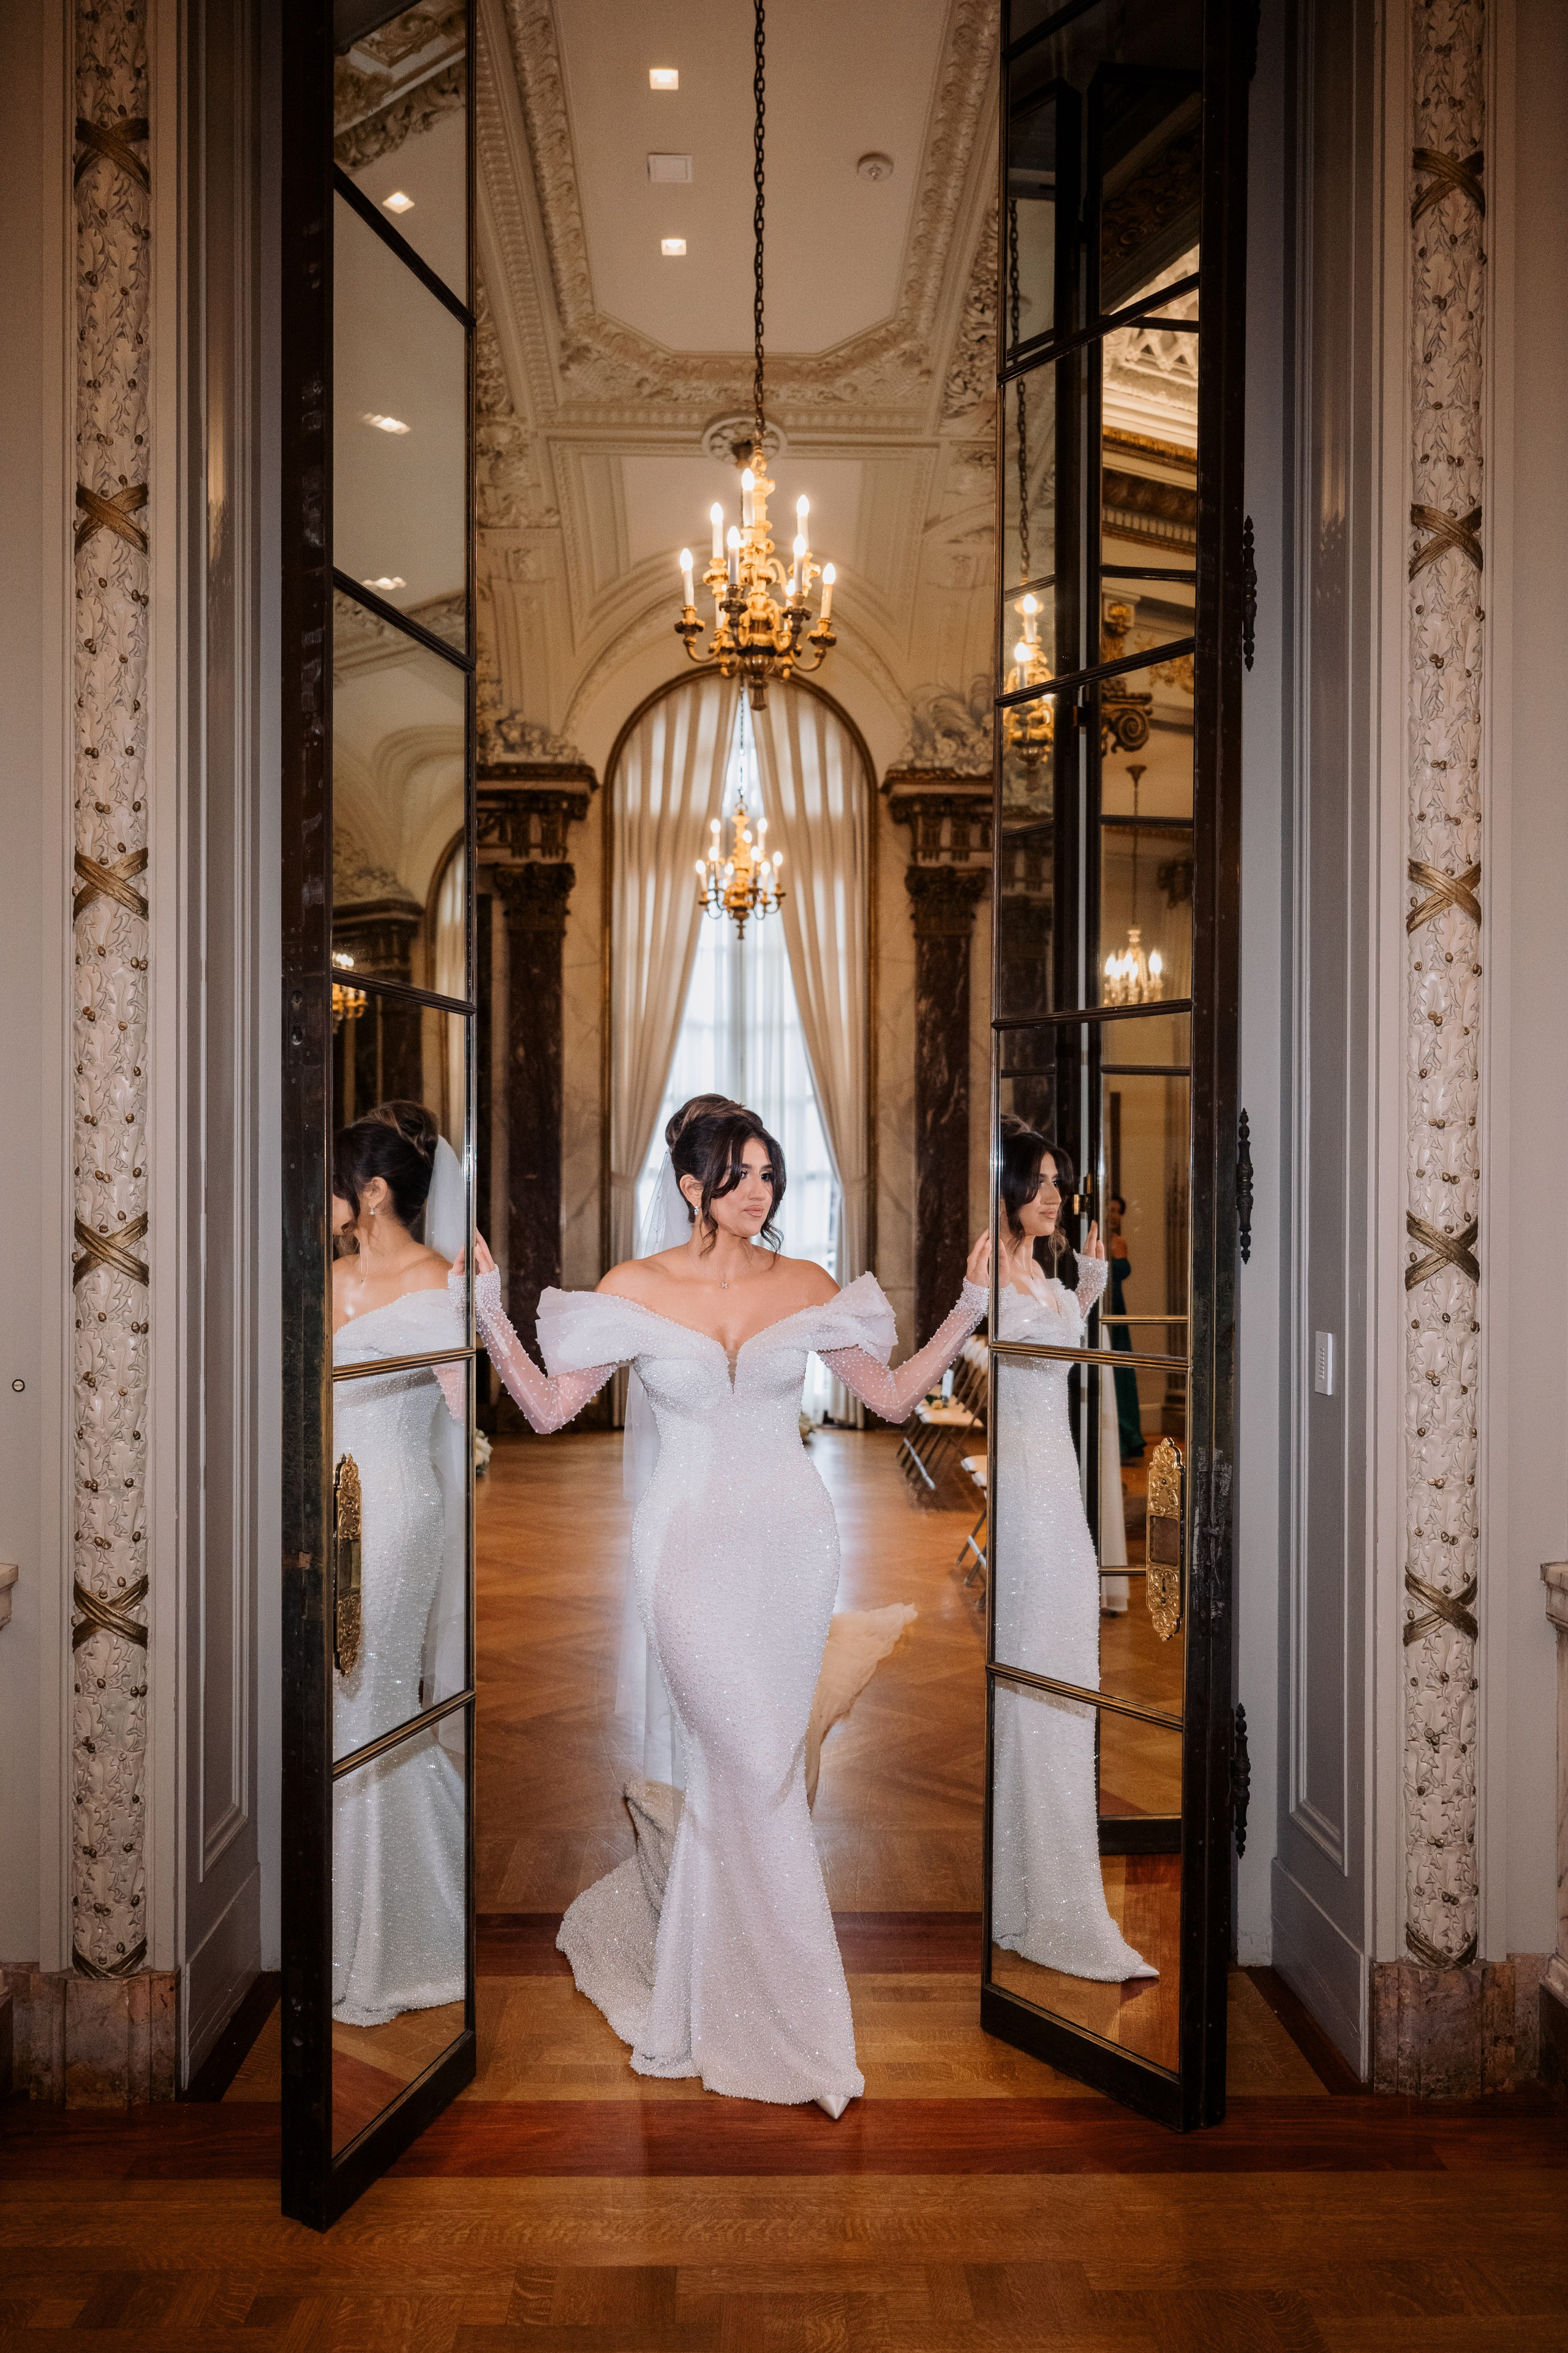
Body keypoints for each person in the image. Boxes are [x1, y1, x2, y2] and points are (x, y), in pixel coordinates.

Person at [458, 1095, 989, 2114]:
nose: (762, 1192)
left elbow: (888, 1398)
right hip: (686, 1553)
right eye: (741, 1174)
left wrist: (967, 1305)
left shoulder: (807, 1283)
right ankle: (797, 2021)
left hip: (793, 1547)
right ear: (692, 1183)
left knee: (756, 1769)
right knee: (750, 1761)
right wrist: (487, 1312)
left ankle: (714, 1995)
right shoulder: (634, 1287)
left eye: (771, 1174)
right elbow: (547, 1406)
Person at [989, 1116, 1156, 1984]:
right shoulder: (993, 1273)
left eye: (1059, 1182)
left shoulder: (1044, 1274)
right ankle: (1042, 1899)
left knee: (1061, 1676)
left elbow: (1057, 1352)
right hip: (1029, 1496)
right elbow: (1010, 1353)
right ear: (1010, 1191)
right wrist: (1070, 1299)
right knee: (1041, 1676)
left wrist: (1085, 1288)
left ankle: (1031, 1888)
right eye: (1041, 1183)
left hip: (1058, 1488)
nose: (1054, 1195)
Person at [330, 1102, 467, 2030]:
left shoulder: (440, 1283)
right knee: (341, 1700)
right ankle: (347, 1916)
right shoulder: (326, 1272)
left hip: (397, 1509)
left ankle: (392, 1932)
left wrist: (481, 1309)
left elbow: (467, 1409)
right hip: (323, 1504)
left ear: (374, 1192)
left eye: (339, 1182)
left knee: (372, 1693)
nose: (326, 1199)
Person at [1106, 1193, 1145, 1462]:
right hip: (1101, 1305)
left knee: (1122, 1369)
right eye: (1111, 1209)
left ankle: (1127, 1437)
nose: (1115, 1214)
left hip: (1117, 1307)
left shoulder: (1120, 1244)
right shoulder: (1092, 1241)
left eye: (1119, 1211)